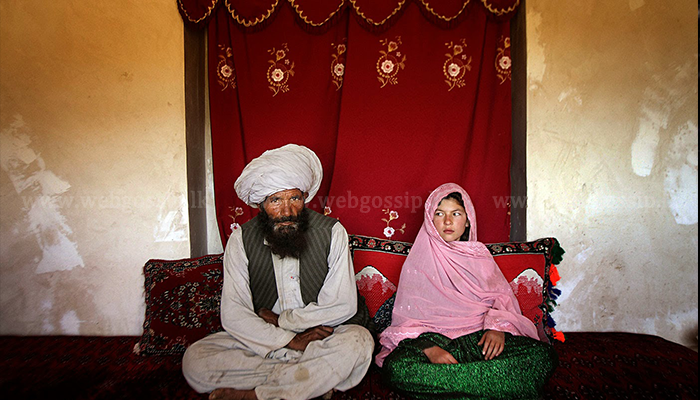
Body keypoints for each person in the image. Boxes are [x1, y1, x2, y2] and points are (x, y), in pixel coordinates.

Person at [182, 144, 373, 400]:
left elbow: (342, 306)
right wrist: (288, 340)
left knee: (358, 341)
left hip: (322, 336)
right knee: (196, 360)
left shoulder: (332, 232)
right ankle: (310, 380)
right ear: (261, 204)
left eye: (294, 199)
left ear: (305, 198)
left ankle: (256, 395)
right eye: (275, 200)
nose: (287, 212)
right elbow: (234, 313)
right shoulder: (241, 239)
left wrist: (284, 321)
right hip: (267, 340)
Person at [375, 183, 557, 400]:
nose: (448, 221)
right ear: (430, 220)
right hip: (434, 340)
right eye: (439, 214)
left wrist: (497, 328)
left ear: (468, 219)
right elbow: (407, 321)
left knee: (543, 357)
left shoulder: (479, 256)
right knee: (396, 368)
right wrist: (429, 349)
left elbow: (502, 299)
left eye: (456, 213)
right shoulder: (418, 260)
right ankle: (500, 387)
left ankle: (455, 386)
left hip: (480, 339)